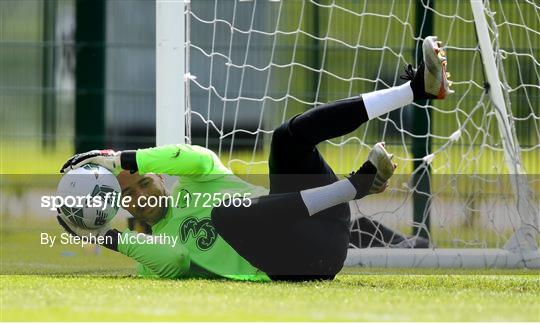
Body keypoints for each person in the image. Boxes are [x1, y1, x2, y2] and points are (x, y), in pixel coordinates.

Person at [58, 36, 452, 281]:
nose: (142, 194)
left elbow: (189, 154)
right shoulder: (151, 248)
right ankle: (355, 186)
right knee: (226, 215)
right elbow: (175, 260)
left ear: (160, 175)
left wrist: (118, 160)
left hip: (320, 222)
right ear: (123, 206)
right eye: (130, 195)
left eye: (144, 180)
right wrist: (100, 235)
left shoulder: (199, 177)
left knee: (286, 138)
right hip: (297, 266)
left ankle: (416, 88)